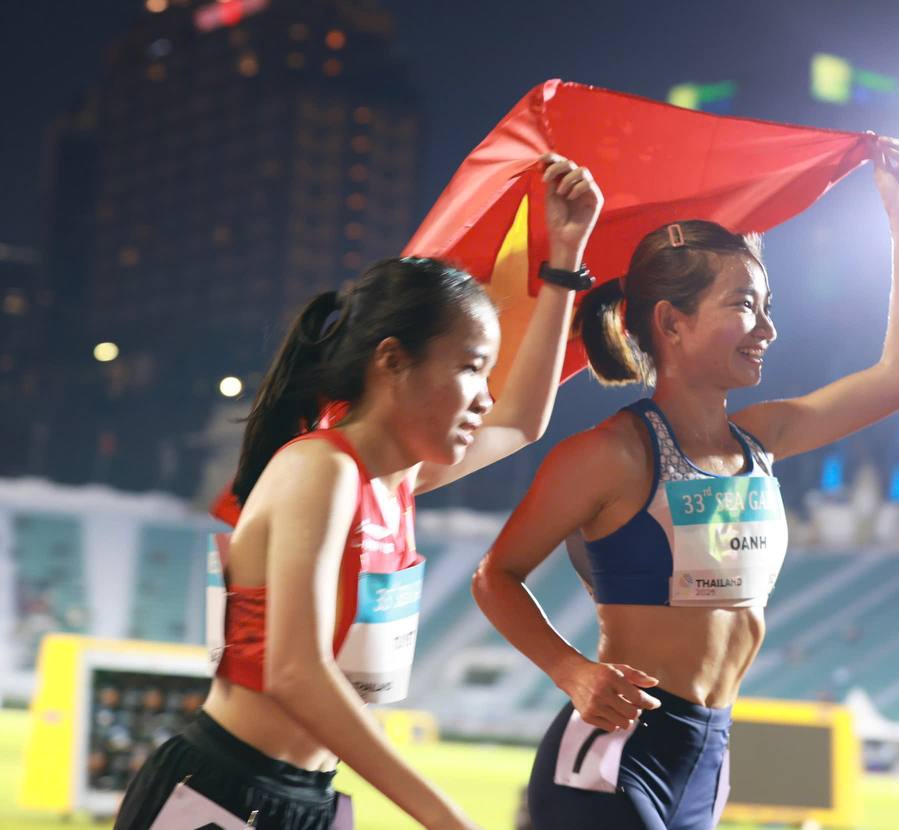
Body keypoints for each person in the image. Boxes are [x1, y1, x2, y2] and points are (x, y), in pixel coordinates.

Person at [115, 155, 603, 829]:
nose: (485, 397)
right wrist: (446, 818)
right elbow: (295, 671)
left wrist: (565, 263)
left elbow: (521, 422)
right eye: (471, 368)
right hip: (222, 793)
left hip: (310, 798)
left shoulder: (394, 482)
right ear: (392, 361)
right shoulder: (322, 469)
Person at [472, 136, 899, 830]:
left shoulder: (764, 437)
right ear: (672, 323)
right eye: (745, 305)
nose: (768, 328)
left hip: (707, 760)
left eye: (767, 306)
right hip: (615, 759)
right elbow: (495, 576)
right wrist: (571, 670)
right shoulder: (610, 455)